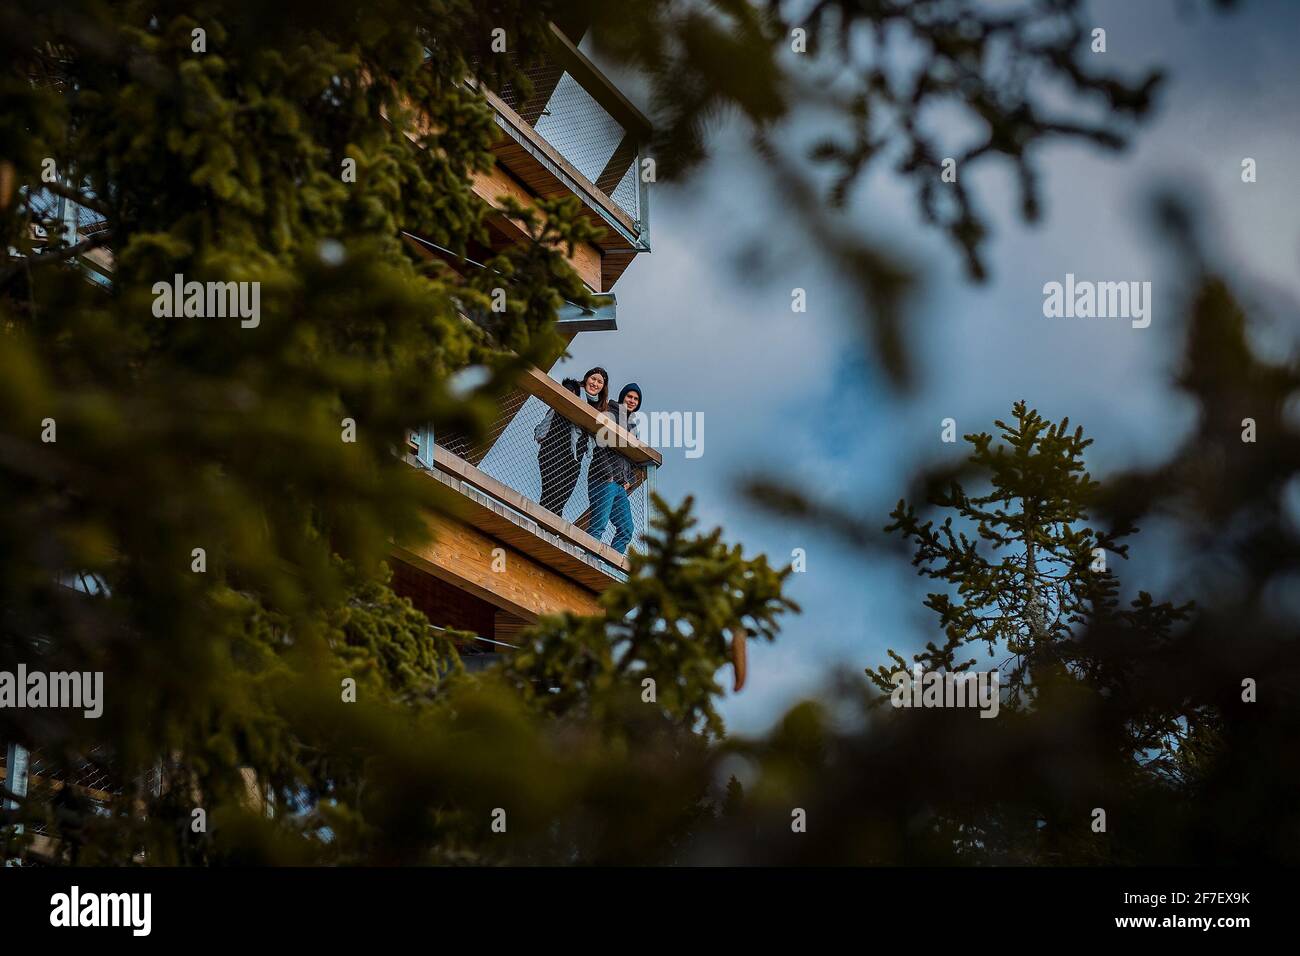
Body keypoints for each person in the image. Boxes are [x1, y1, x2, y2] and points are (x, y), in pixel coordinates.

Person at [535, 366, 608, 515]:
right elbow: (561, 399)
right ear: (586, 378)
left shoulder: (600, 410)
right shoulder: (574, 388)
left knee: (561, 498)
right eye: (593, 378)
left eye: (600, 382)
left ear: (603, 387)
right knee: (551, 491)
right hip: (553, 449)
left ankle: (548, 532)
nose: (595, 383)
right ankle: (542, 528)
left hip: (574, 460)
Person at [586, 383, 642, 554]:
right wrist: (608, 475)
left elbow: (632, 459)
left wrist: (629, 481)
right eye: (629, 396)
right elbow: (601, 445)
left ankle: (610, 567)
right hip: (603, 479)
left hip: (620, 486)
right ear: (622, 397)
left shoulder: (633, 426)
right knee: (598, 525)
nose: (632, 400)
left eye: (636, 398)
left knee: (626, 530)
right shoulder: (610, 412)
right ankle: (588, 561)